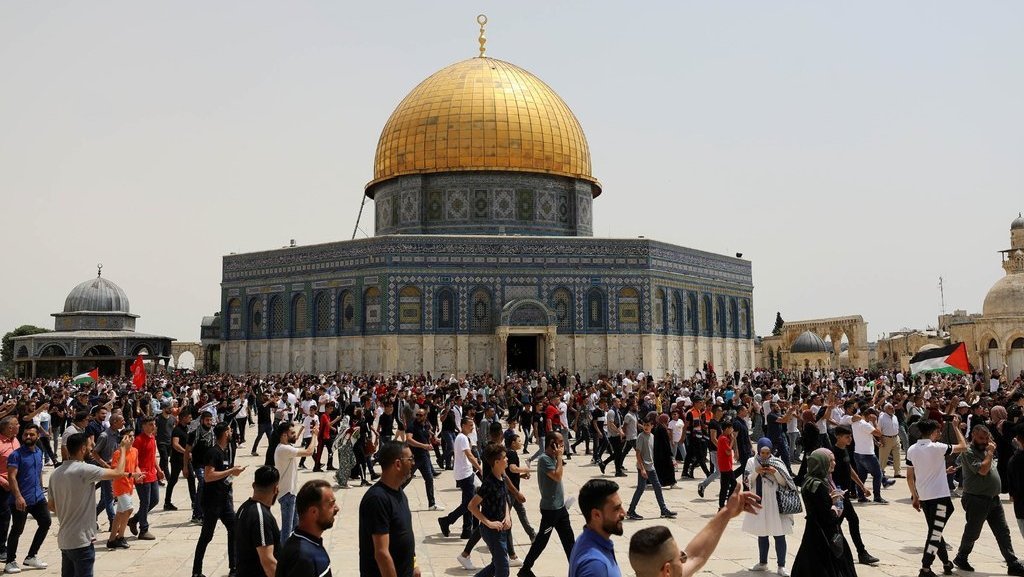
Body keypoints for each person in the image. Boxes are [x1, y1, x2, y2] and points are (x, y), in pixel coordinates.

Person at [626, 488, 763, 577]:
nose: (685, 558)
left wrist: (727, 512)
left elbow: (696, 555)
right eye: (680, 558)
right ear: (667, 571)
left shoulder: (665, 572)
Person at [48, 432, 131, 577]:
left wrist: (69, 510)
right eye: (89, 447)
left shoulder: (55, 473)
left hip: (65, 540)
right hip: (81, 541)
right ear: (82, 449)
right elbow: (118, 472)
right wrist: (123, 449)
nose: (91, 450)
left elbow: (51, 506)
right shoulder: (85, 469)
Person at [952, 424, 1024, 575]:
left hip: (993, 499)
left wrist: (989, 450)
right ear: (973, 436)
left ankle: (1012, 562)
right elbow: (983, 470)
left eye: (986, 438)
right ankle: (961, 556)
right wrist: (990, 452)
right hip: (976, 499)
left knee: (1003, 531)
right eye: (981, 438)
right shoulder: (968, 451)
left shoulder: (986, 449)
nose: (984, 441)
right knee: (973, 532)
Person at [906, 417, 968, 577]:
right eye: (938, 431)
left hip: (925, 498)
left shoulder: (912, 449)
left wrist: (914, 496)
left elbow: (910, 475)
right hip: (940, 499)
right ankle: (925, 568)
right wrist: (956, 428)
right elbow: (963, 446)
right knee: (935, 533)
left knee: (936, 531)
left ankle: (946, 563)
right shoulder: (937, 447)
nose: (940, 433)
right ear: (933, 432)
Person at [790, 449, 856, 577]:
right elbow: (829, 517)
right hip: (825, 535)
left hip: (812, 532)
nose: (834, 463)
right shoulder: (819, 485)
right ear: (821, 463)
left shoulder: (809, 481)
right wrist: (835, 504)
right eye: (830, 460)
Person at [192, 422, 245, 577]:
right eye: (229, 430)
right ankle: (196, 572)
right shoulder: (213, 452)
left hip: (224, 500)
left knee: (234, 529)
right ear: (224, 433)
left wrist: (232, 473)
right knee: (206, 536)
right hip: (212, 502)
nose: (231, 432)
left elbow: (222, 474)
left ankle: (234, 568)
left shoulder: (224, 451)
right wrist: (231, 471)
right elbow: (208, 476)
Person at [519, 433, 575, 577]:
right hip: (550, 510)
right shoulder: (544, 459)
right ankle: (525, 570)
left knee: (570, 542)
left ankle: (577, 570)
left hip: (560, 508)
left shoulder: (553, 458)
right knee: (541, 542)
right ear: (552, 443)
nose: (562, 445)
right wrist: (560, 457)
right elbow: (557, 476)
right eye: (560, 442)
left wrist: (558, 457)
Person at [360, 441, 417, 577]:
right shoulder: (377, 499)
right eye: (410, 459)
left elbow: (404, 533)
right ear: (397, 464)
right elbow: (381, 553)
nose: (413, 463)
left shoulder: (399, 492)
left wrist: (414, 564)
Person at [742, 437, 796, 577]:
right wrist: (756, 472)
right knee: (762, 532)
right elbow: (747, 481)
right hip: (760, 502)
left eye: (767, 452)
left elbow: (786, 482)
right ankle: (762, 563)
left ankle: (781, 565)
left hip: (775, 502)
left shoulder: (778, 462)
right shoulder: (751, 461)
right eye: (762, 452)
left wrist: (775, 472)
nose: (765, 455)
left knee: (779, 533)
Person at [830, 426, 879, 565]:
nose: (850, 439)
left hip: (844, 494)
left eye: (850, 436)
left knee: (840, 523)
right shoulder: (831, 453)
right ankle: (860, 553)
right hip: (838, 496)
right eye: (847, 437)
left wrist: (862, 486)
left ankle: (835, 551)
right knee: (848, 521)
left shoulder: (845, 450)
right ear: (838, 437)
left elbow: (849, 469)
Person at [4, 423, 50, 572]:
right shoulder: (16, 455)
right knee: (17, 529)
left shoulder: (38, 452)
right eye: (25, 434)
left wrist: (42, 491)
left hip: (37, 497)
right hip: (20, 500)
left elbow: (37, 473)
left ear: (37, 436)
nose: (28, 437)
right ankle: (10, 561)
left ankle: (31, 556)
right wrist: (18, 496)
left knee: (46, 522)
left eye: (31, 434)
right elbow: (11, 477)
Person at [277, 479, 338, 577]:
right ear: (313, 512)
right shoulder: (302, 557)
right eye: (331, 504)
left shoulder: (310, 544)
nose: (336, 508)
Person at [468, 443, 511, 577]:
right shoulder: (489, 483)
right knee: (503, 570)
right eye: (505, 457)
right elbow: (471, 506)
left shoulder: (502, 477)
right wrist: (489, 523)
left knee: (496, 565)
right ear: (497, 462)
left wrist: (508, 516)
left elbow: (505, 500)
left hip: (502, 529)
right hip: (491, 532)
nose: (507, 459)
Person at [273, 420, 319, 544]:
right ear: (284, 435)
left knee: (296, 526)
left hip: (290, 493)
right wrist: (314, 435)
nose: (295, 435)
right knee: (287, 530)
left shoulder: (286, 447)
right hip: (287, 495)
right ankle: (283, 557)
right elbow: (309, 452)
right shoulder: (284, 449)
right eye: (292, 433)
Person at [625, 414, 677, 521]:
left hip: (651, 467)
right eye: (644, 425)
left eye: (648, 425)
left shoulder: (652, 436)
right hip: (643, 467)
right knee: (640, 489)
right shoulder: (641, 437)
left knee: (657, 487)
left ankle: (663, 510)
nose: (646, 427)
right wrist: (642, 469)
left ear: (652, 426)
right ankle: (631, 511)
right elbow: (638, 454)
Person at [569, 479, 624, 577]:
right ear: (596, 515)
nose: (624, 513)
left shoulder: (585, 539)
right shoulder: (595, 565)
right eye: (616, 509)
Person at [438, 417, 481, 540]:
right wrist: (480, 469)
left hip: (466, 473)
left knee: (468, 502)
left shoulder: (463, 437)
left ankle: (466, 530)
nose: (472, 427)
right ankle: (446, 520)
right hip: (465, 474)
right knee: (469, 504)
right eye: (470, 425)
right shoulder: (462, 438)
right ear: (462, 425)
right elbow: (470, 455)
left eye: (473, 425)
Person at [235, 466, 281, 577]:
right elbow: (268, 562)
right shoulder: (260, 516)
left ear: (253, 485)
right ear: (276, 489)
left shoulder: (244, 508)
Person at [127, 416, 164, 540]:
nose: (153, 427)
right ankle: (144, 529)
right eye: (150, 424)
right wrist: (136, 474)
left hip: (152, 474)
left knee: (155, 500)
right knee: (145, 502)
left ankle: (134, 520)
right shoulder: (138, 440)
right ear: (143, 426)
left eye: (154, 424)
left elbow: (153, 456)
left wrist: (159, 470)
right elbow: (133, 459)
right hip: (142, 475)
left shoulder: (153, 438)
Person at [107, 429, 143, 550]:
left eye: (133, 436)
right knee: (129, 509)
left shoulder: (135, 451)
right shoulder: (118, 453)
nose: (132, 438)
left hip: (129, 485)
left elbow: (136, 465)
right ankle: (120, 537)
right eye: (129, 436)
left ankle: (112, 539)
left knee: (120, 513)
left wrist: (138, 474)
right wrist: (132, 475)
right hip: (120, 485)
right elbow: (116, 472)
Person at [405, 408, 443, 511]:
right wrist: (423, 446)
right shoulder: (412, 426)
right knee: (406, 479)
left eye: (420, 415)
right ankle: (393, 499)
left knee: (429, 479)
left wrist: (434, 439)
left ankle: (432, 504)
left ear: (425, 416)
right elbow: (408, 439)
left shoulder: (425, 425)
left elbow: (428, 434)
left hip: (425, 457)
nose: (418, 417)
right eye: (417, 415)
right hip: (414, 457)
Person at [165, 411, 192, 511]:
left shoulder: (187, 429)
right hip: (177, 459)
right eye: (189, 417)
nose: (190, 419)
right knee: (173, 480)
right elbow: (175, 444)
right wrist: (186, 452)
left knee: (191, 479)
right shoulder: (177, 430)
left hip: (185, 459)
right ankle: (167, 502)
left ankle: (194, 502)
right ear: (183, 418)